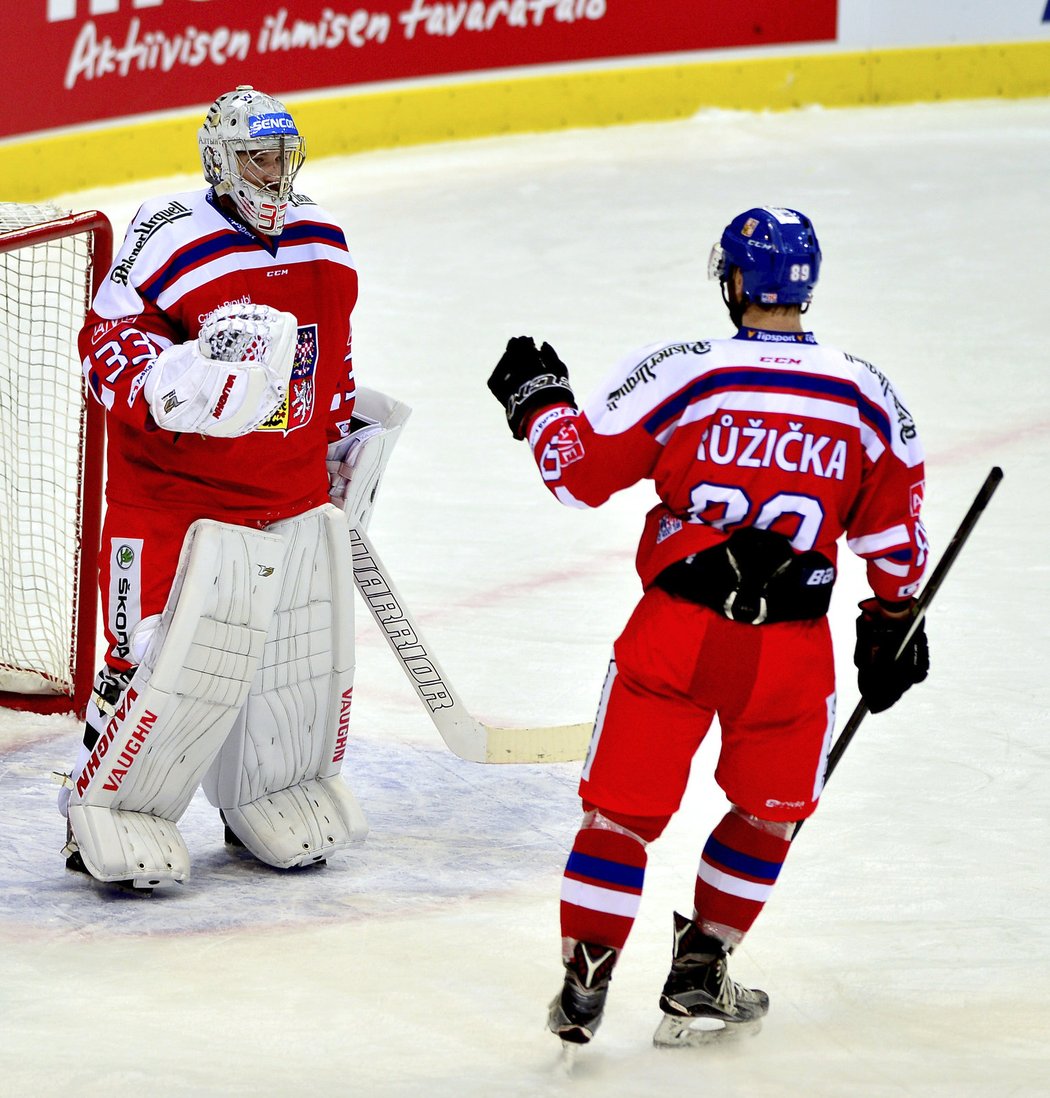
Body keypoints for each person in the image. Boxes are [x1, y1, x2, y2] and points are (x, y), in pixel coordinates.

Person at [486, 206, 930, 1049]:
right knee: (769, 815)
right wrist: (892, 624)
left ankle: (586, 980)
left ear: (732, 282)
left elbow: (577, 475)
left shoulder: (686, 372)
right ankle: (699, 973)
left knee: (618, 818)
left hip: (675, 635)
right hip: (789, 656)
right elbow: (896, 548)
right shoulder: (870, 394)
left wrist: (539, 405)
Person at [58, 85, 404, 890]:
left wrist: (341, 449)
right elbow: (102, 349)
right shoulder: (164, 234)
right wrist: (170, 382)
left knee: (286, 665)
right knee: (155, 661)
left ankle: (263, 797)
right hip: (173, 500)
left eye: (284, 156)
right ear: (219, 158)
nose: (273, 172)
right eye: (256, 156)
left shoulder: (324, 239)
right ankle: (103, 810)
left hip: (284, 495)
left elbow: (331, 363)